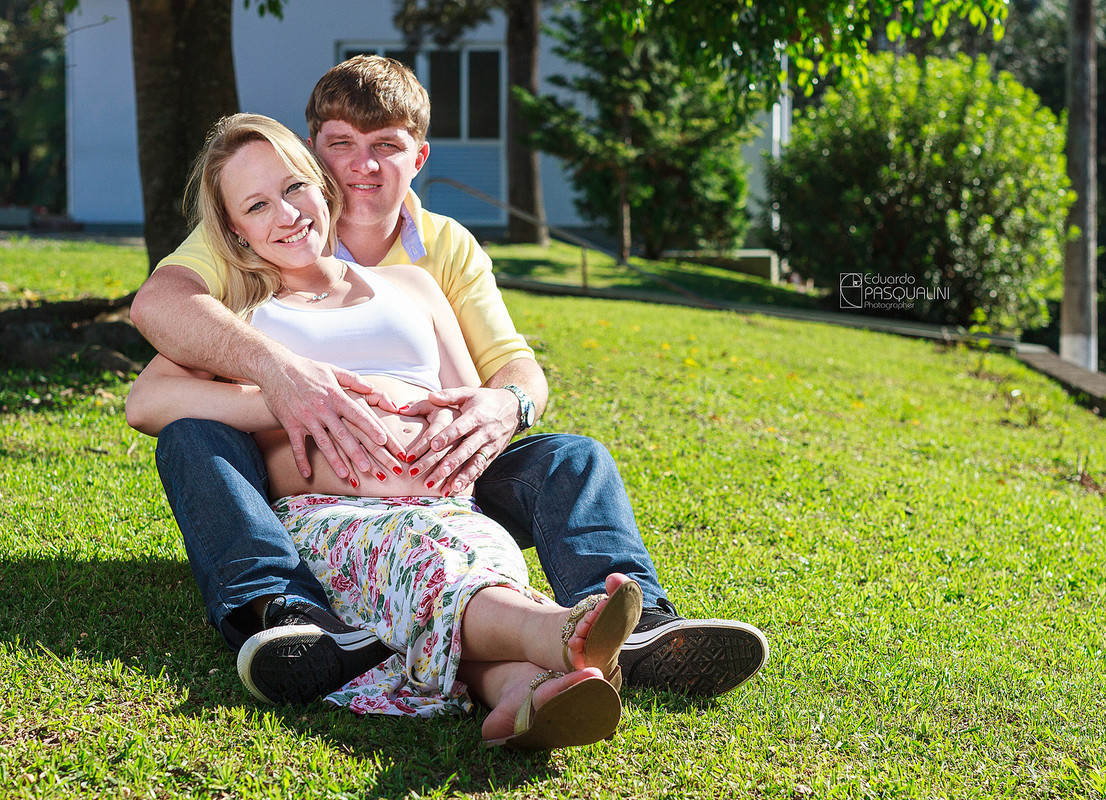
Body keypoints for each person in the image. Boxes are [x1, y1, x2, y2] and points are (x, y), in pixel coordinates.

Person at [128, 54, 768, 704]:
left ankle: (630, 631)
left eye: (384, 146)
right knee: (198, 438)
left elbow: (496, 372)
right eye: (342, 145)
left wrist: (501, 407)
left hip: (444, 494)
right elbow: (153, 362)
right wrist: (283, 388)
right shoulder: (238, 293)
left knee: (573, 459)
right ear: (238, 226)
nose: (360, 166)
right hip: (332, 503)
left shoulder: (425, 270)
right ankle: (291, 609)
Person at [126, 113, 646, 750]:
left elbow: (466, 398)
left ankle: (518, 690)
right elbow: (147, 402)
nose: (286, 214)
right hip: (334, 518)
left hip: (447, 507)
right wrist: (288, 398)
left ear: (321, 185)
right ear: (235, 229)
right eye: (257, 206)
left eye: (294, 188)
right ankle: (558, 632)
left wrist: (465, 417)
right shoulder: (239, 315)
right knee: (429, 567)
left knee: (464, 564)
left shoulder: (414, 285)